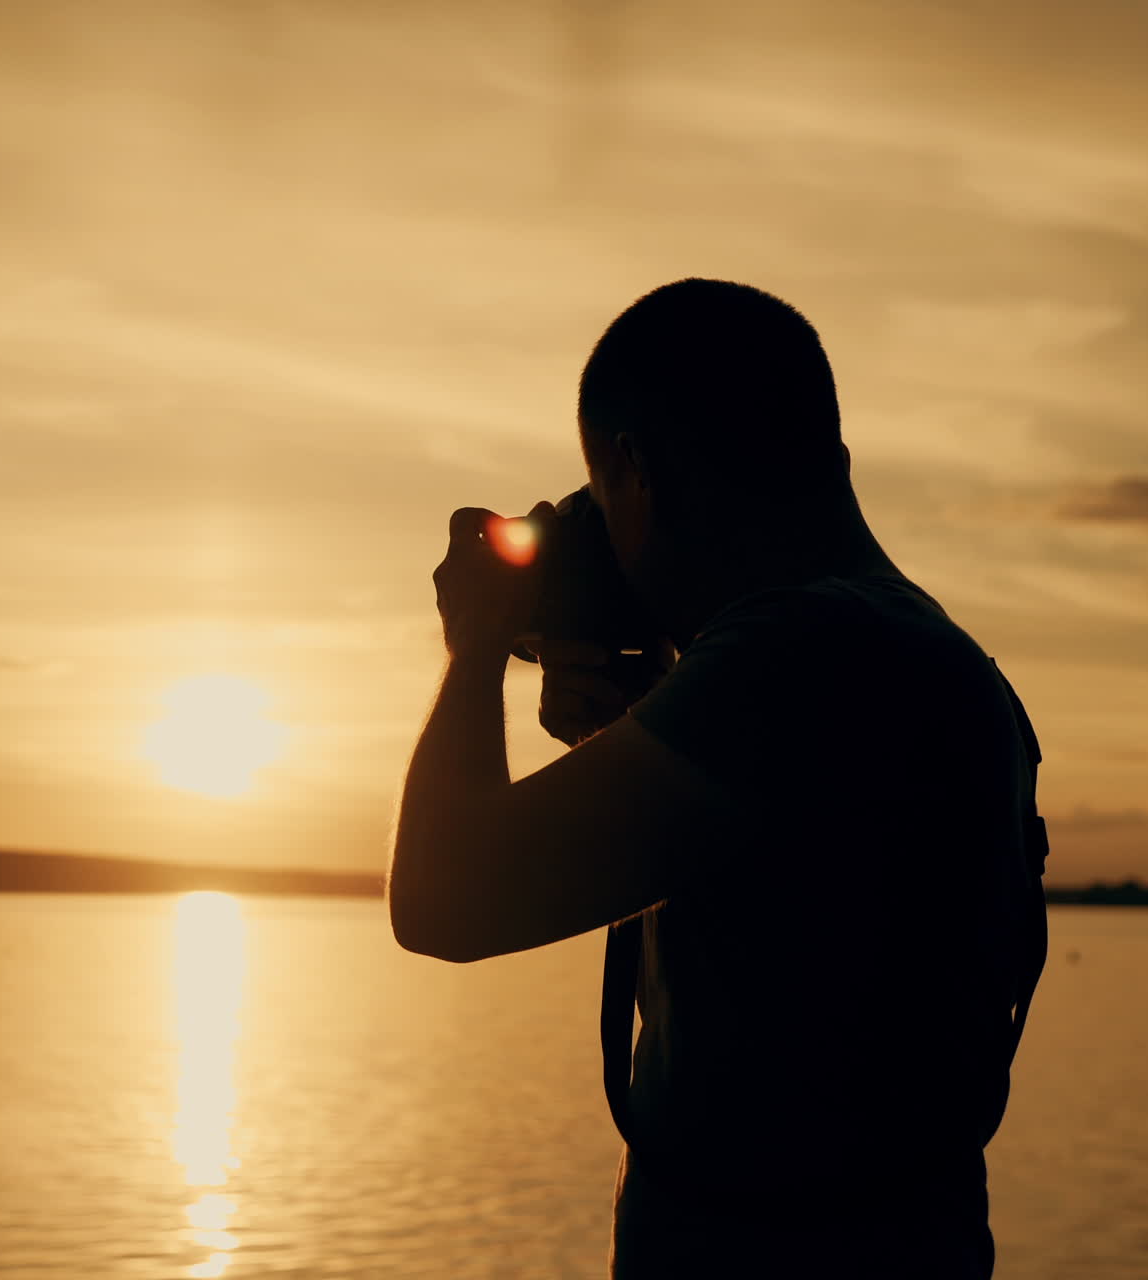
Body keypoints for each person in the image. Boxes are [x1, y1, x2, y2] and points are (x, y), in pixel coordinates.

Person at [388, 279, 1046, 1278]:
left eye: (599, 498)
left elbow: (445, 901)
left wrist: (478, 636)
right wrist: (637, 716)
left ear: (632, 469)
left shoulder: (797, 654)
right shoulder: (916, 650)